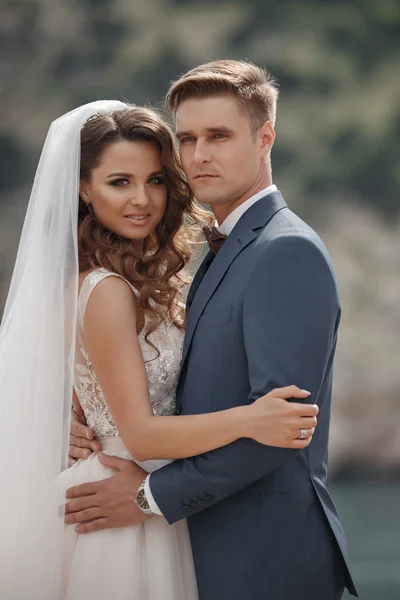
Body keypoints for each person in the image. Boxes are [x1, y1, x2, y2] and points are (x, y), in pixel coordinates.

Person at [0, 99, 317, 599]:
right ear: (83, 189)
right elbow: (142, 436)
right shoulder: (105, 289)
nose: (142, 199)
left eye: (155, 180)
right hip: (120, 503)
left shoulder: (133, 281)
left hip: (147, 495)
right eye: (119, 182)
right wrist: (252, 419)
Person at [68, 61, 359, 600]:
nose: (199, 155)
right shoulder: (221, 249)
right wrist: (78, 414)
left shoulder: (284, 250)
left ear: (265, 136)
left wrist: (148, 497)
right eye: (188, 139)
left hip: (261, 555)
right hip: (198, 543)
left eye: (219, 136)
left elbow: (282, 432)